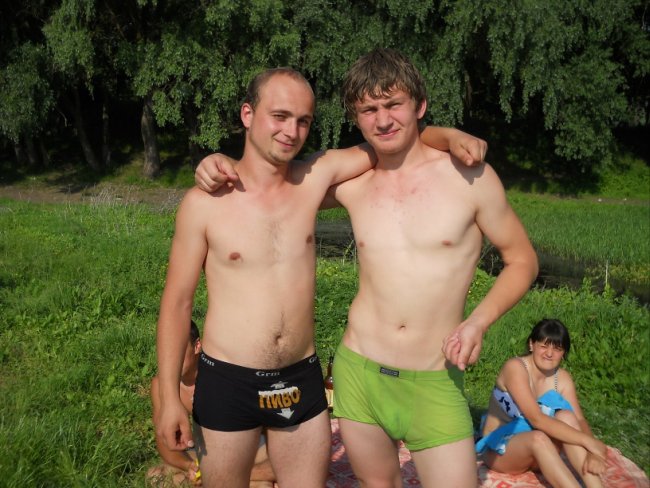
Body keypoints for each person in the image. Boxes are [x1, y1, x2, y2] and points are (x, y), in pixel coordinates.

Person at [159, 66, 486, 488]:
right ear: (247, 114)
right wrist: (170, 397)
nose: (291, 131)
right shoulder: (204, 203)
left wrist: (448, 135)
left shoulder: (312, 179)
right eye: (279, 116)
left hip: (300, 378)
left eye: (303, 121)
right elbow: (177, 303)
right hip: (228, 380)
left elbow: (389, 139)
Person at [476, 319, 607, 488]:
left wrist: (593, 452)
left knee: (567, 417)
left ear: (563, 353)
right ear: (532, 344)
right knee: (539, 438)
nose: (549, 353)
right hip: (501, 450)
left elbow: (579, 419)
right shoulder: (515, 367)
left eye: (557, 349)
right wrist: (588, 442)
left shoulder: (562, 378)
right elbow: (536, 419)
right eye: (544, 346)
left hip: (541, 451)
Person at [149, 320, 275, 487]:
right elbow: (164, 442)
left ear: (197, 346)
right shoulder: (161, 386)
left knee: (278, 466)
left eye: (178, 350)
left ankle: (238, 478)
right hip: (207, 452)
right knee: (156, 476)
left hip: (251, 448)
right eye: (166, 352)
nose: (171, 359)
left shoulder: (222, 373)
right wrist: (189, 466)